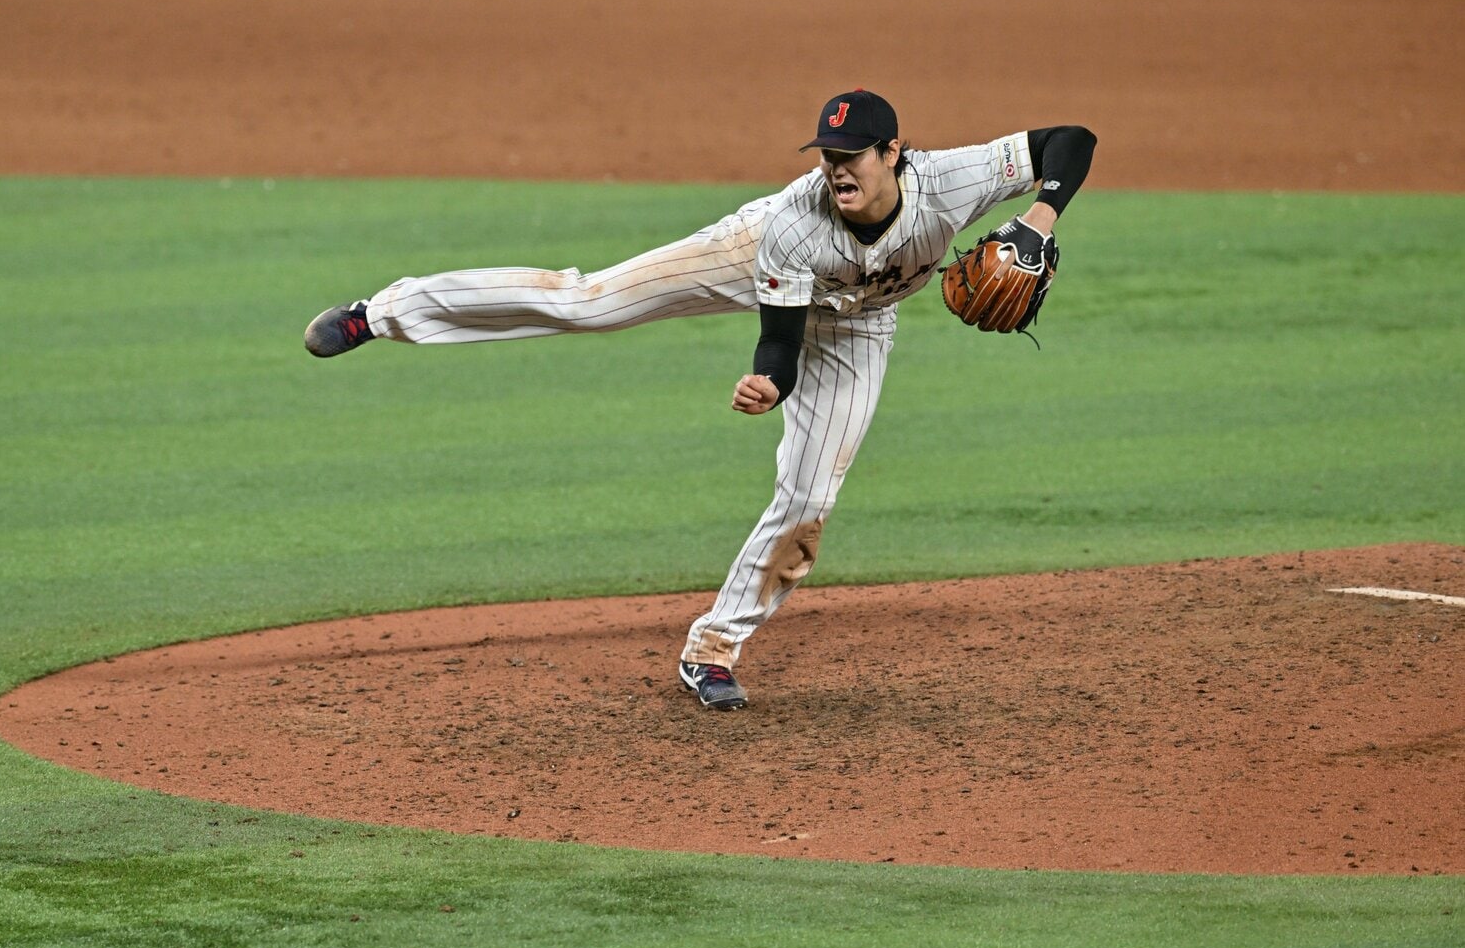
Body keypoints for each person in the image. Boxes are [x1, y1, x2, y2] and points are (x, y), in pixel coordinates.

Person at [304, 90, 1095, 711]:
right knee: (591, 301)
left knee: (812, 496)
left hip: (861, 324)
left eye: (854, 156)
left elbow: (1072, 140)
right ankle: (383, 312)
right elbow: (781, 342)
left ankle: (711, 648)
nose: (839, 170)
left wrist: (1037, 216)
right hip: (744, 257)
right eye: (828, 156)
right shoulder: (796, 221)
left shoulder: (952, 178)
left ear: (895, 151)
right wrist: (770, 383)